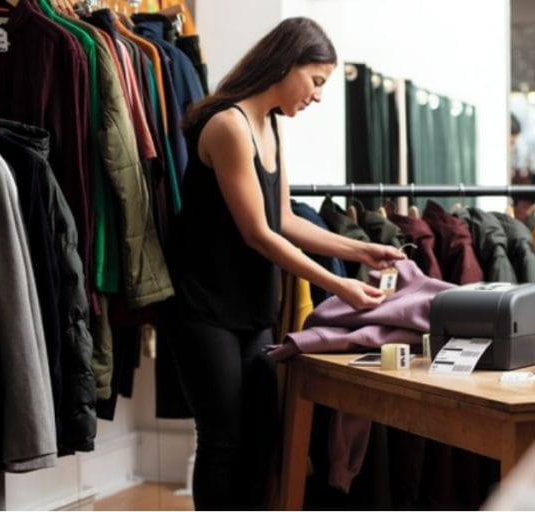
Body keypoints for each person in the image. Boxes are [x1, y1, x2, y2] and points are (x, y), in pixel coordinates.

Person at [168, 17, 406, 509]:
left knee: (262, 436)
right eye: (316, 81)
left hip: (252, 307)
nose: (317, 96)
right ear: (286, 64)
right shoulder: (229, 125)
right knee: (223, 440)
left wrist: (360, 251)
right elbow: (258, 233)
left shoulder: (269, 124)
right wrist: (339, 288)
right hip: (204, 308)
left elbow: (283, 219)